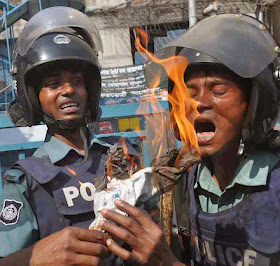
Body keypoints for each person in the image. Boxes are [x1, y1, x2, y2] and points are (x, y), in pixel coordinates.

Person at [96, 14, 280, 265]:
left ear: (254, 102)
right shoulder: (183, 185)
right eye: (189, 93)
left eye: (218, 90)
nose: (199, 103)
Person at [0, 6, 159, 266]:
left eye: (77, 81)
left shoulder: (122, 159)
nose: (68, 90)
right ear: (35, 99)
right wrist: (38, 257)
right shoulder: (27, 181)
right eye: (53, 84)